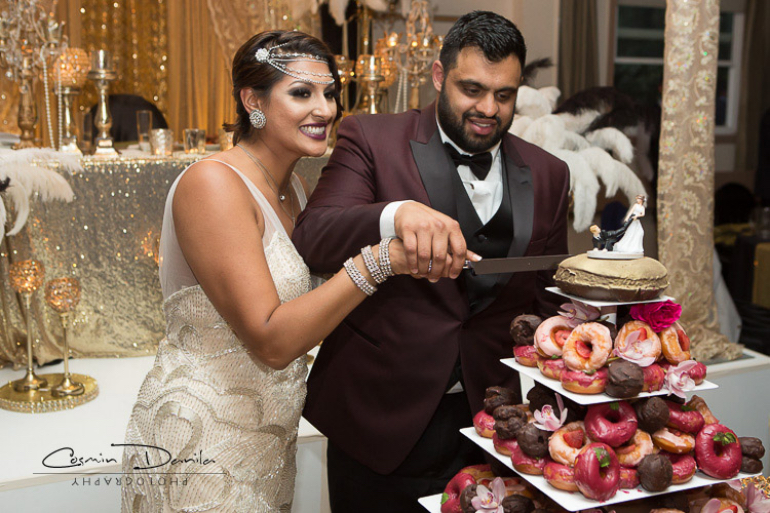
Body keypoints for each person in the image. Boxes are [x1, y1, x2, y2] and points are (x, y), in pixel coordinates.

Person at [119, 30, 453, 512]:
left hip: (268, 444)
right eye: (302, 93)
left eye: (329, 93)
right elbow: (272, 340)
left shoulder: (294, 189)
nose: (324, 110)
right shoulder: (212, 183)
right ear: (252, 99)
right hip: (200, 441)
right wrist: (381, 260)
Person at [292, 11, 570, 512]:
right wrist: (395, 215)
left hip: (492, 426)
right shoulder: (371, 139)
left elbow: (549, 303)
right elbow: (314, 237)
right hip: (380, 423)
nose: (488, 108)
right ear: (439, 77)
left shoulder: (550, 173)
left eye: (504, 95)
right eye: (472, 89)